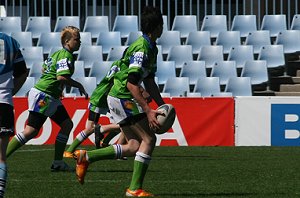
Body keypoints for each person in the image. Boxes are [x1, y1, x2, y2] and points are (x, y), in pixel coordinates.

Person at [73, 6, 165, 197]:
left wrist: (162, 104)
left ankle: (86, 156)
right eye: (162, 24)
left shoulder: (151, 47)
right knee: (149, 139)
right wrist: (148, 110)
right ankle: (134, 189)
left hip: (120, 97)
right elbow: (132, 84)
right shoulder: (142, 48)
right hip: (123, 97)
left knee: (133, 146)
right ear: (157, 27)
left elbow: (149, 81)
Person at [6, 26, 88, 172]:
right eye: (77, 39)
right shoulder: (66, 56)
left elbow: (45, 70)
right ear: (67, 41)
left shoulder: (57, 54)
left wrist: (58, 89)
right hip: (44, 95)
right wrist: (79, 85)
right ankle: (2, 158)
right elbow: (61, 76)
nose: (79, 42)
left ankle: (57, 163)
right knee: (31, 131)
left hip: (49, 95)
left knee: (67, 124)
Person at [0, 32, 28, 197]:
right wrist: (9, 93)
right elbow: (22, 73)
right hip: (4, 103)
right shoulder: (10, 41)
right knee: (1, 157)